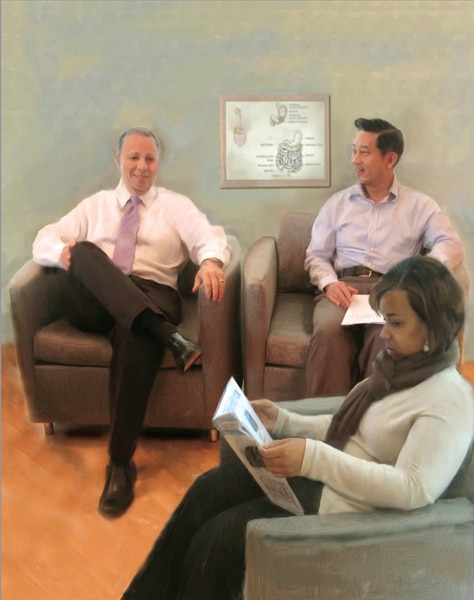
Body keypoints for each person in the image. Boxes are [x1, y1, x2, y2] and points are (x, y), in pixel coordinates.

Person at [120, 255, 474, 600]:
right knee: (206, 489)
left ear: (434, 326)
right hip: (325, 478)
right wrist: (284, 421)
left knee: (220, 535)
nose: (383, 335)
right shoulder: (395, 371)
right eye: (384, 320)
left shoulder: (448, 401)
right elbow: (347, 428)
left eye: (395, 323)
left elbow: (412, 489)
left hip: (347, 505)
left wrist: (312, 459)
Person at [32, 126, 231, 518]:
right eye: (133, 157)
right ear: (118, 161)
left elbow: (209, 237)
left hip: (153, 292)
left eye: (150, 158)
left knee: (134, 330)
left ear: (158, 163)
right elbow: (44, 239)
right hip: (95, 301)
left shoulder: (176, 206)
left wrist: (209, 261)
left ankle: (120, 463)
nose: (142, 166)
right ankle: (168, 336)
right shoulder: (95, 205)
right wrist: (63, 254)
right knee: (86, 251)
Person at [304, 117, 465, 397]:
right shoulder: (337, 204)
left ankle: (373, 424)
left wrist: (415, 277)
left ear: (390, 159)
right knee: (329, 332)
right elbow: (316, 256)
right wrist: (330, 284)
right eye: (353, 150)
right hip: (344, 289)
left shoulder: (420, 205)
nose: (355, 159)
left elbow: (450, 245)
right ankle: (327, 421)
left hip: (392, 288)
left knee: (386, 336)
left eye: (364, 152)